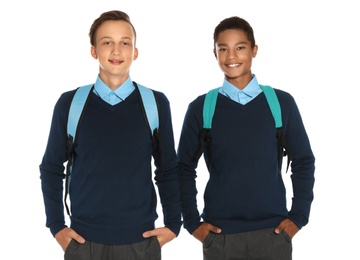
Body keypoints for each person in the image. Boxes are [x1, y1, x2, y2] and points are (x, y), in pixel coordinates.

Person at [39, 10, 182, 260]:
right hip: (84, 242)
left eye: (125, 43)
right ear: (94, 50)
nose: (116, 51)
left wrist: (173, 225)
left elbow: (168, 169)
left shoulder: (156, 103)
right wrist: (57, 226)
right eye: (107, 42)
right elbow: (51, 167)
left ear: (135, 51)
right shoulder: (70, 104)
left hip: (141, 242)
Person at [177, 16, 315, 260]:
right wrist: (192, 223)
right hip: (220, 236)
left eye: (240, 48)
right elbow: (183, 168)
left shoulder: (281, 103)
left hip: (274, 234)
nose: (231, 57)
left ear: (254, 50)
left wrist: (299, 217)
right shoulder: (201, 108)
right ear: (215, 54)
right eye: (223, 49)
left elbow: (303, 161)